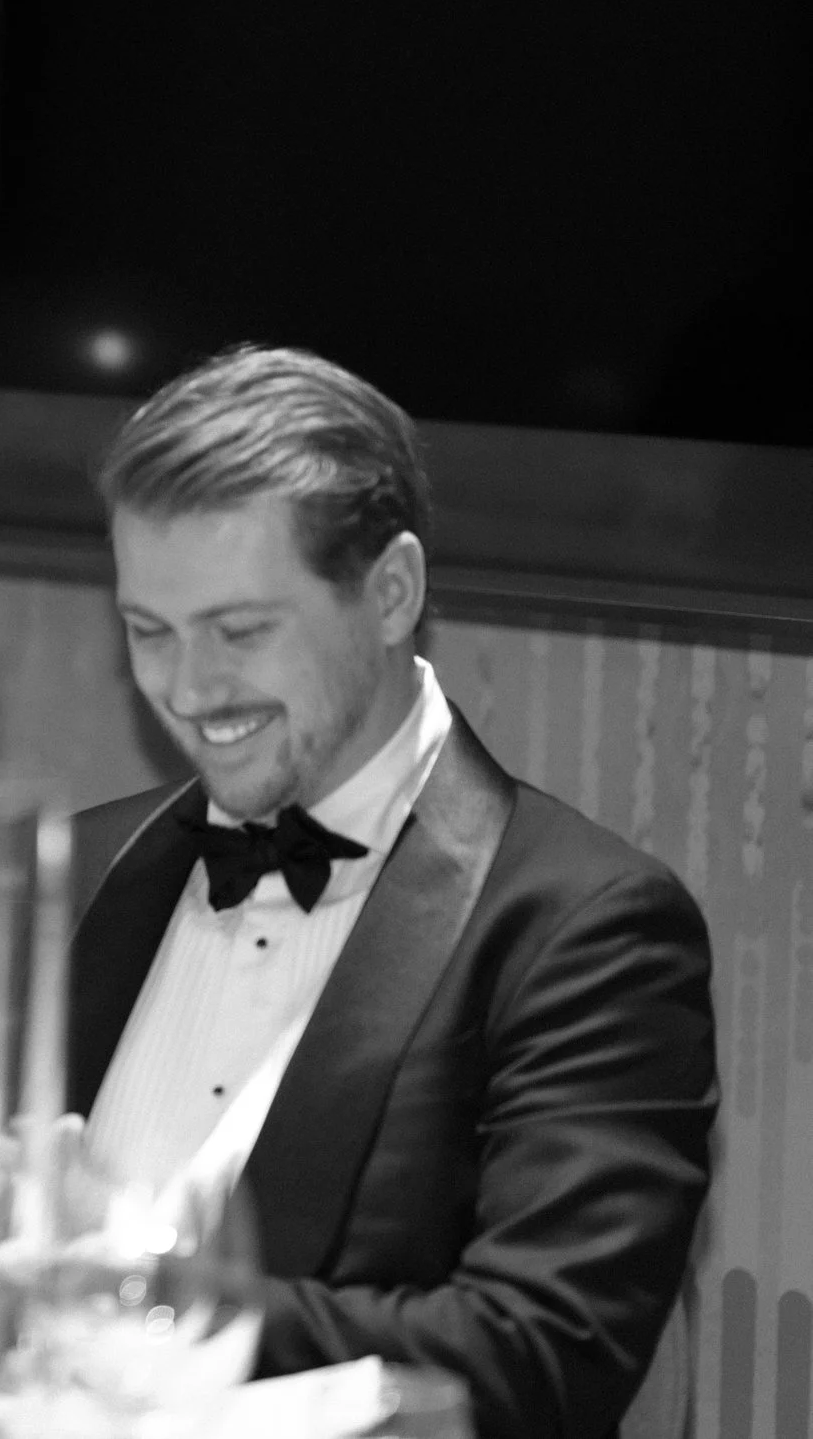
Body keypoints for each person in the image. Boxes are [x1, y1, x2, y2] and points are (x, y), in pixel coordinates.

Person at [67, 344, 716, 1439]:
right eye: (148, 633)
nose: (187, 688)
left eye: (239, 630)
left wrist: (127, 1300)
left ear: (390, 592)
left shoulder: (584, 925)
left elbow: (538, 1351)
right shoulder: (80, 871)